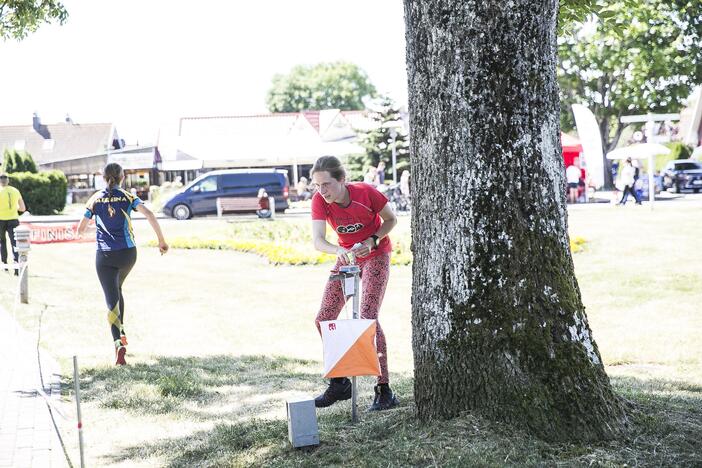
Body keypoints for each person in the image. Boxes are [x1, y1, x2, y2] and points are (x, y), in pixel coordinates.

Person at [310, 155, 399, 411]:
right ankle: (340, 383)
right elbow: (318, 241)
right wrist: (337, 251)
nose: (322, 190)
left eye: (326, 184)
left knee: (368, 318)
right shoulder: (320, 201)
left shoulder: (365, 193)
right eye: (317, 185)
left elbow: (390, 220)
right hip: (347, 257)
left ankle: (384, 389)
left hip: (375, 254)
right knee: (323, 318)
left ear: (342, 180)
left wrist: (373, 239)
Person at [77, 163, 168, 366]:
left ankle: (118, 342)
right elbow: (150, 215)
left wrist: (98, 231)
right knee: (117, 289)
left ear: (103, 177)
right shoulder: (128, 197)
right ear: (122, 177)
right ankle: (122, 332)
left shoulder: (95, 199)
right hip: (128, 254)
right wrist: (161, 241)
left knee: (111, 298)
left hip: (105, 256)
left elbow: (80, 229)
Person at [0, 173, 26, 275]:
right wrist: (15, 208)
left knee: (2, 242)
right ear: (8, 180)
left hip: (1, 220)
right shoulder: (15, 191)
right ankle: (17, 267)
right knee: (15, 244)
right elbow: (22, 208)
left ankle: (5, 265)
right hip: (13, 220)